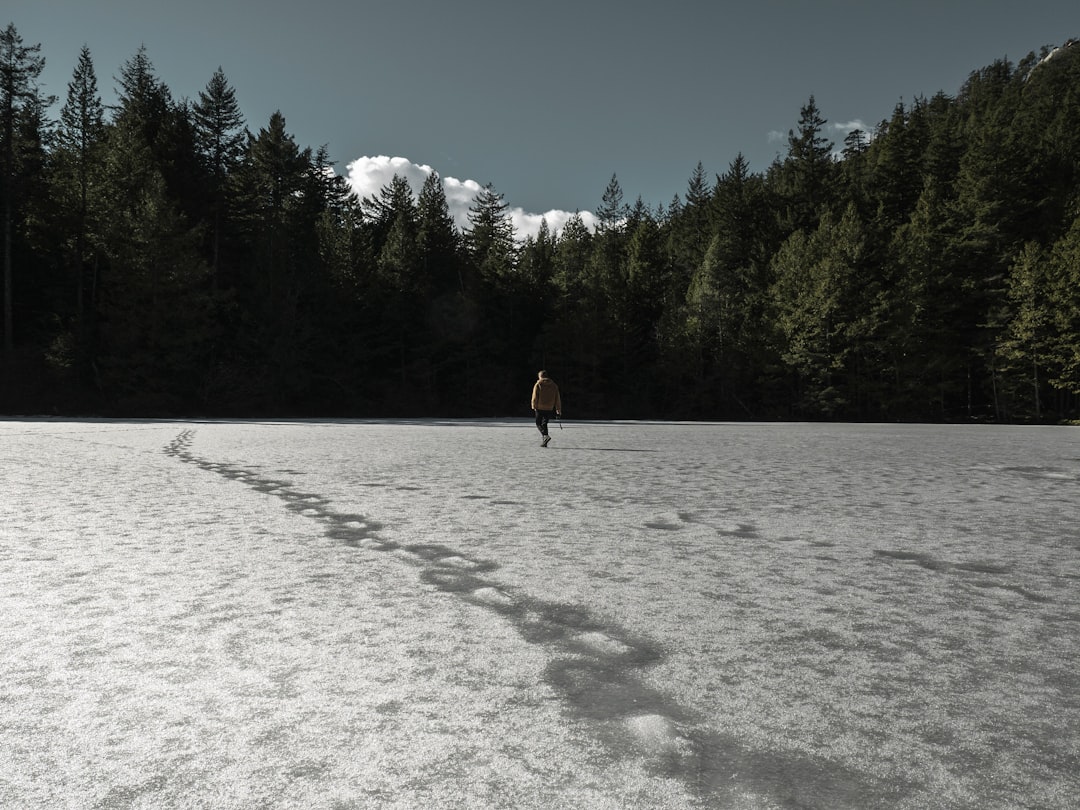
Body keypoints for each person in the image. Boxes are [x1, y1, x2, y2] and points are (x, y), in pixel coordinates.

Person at [530, 370, 562, 447]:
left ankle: (545, 436)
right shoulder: (554, 385)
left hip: (539, 407)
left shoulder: (538, 384)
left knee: (538, 423)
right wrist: (558, 409)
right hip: (549, 407)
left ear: (540, 376)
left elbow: (535, 396)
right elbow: (557, 398)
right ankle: (545, 441)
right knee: (544, 423)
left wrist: (533, 405)